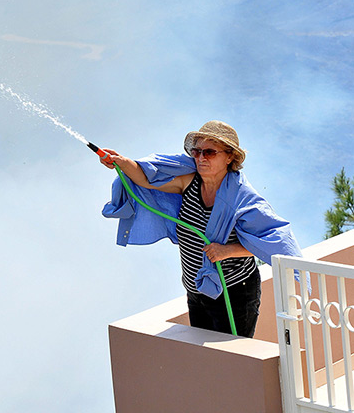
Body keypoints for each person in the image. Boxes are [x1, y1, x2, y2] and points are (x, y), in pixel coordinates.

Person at [99, 120, 302, 337]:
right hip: (196, 287)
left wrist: (228, 251)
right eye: (197, 152)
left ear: (230, 156)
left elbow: (274, 242)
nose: (201, 158)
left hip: (234, 291)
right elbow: (147, 180)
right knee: (205, 356)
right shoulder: (189, 182)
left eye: (210, 152)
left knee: (231, 358)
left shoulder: (242, 198)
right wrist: (121, 162)